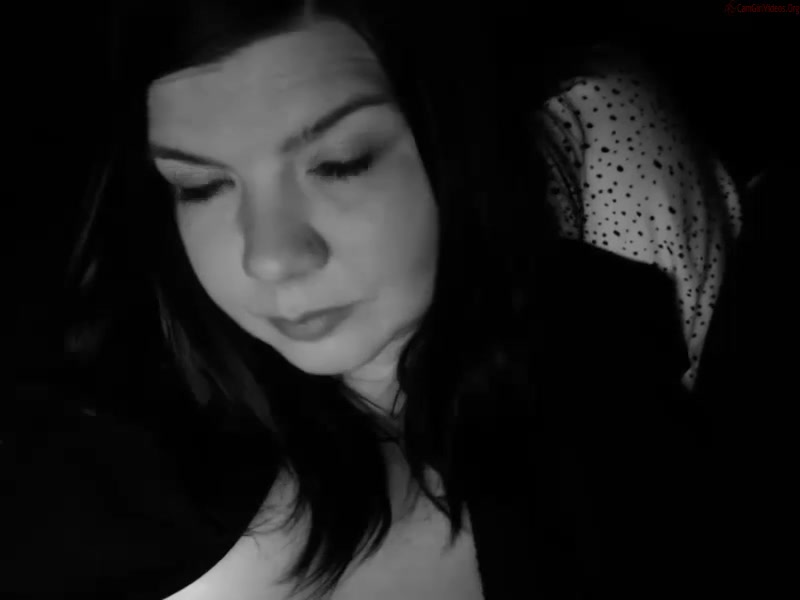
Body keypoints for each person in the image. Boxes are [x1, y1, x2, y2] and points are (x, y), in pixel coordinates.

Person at [11, 1, 724, 599]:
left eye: (339, 163)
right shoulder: (101, 448)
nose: (269, 256)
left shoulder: (601, 378)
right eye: (200, 186)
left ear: (454, 145)